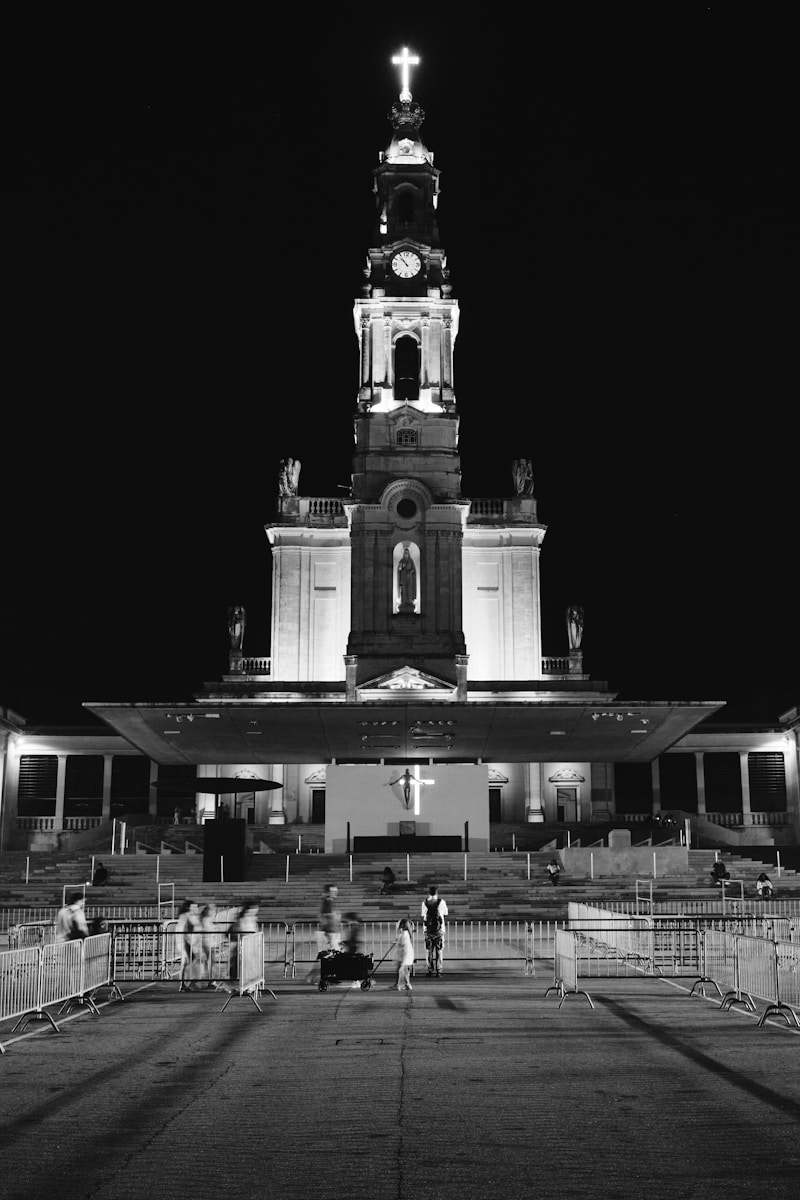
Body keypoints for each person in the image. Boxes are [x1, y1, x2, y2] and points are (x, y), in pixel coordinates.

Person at [421, 884, 448, 977]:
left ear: (429, 893)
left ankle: (430, 970)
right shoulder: (441, 902)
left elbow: (423, 916)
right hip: (439, 931)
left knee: (429, 951)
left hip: (428, 931)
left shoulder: (424, 903)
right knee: (439, 951)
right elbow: (445, 913)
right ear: (437, 892)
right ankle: (439, 970)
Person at [175, 899, 201, 992]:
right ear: (188, 908)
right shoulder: (186, 917)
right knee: (186, 962)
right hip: (184, 942)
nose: (196, 909)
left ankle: (187, 983)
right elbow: (185, 931)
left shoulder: (187, 916)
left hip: (186, 942)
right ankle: (183, 984)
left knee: (190, 962)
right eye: (194, 907)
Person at [395, 918, 414, 992]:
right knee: (405, 970)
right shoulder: (406, 933)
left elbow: (402, 944)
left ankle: (399, 985)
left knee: (401, 969)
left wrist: (397, 942)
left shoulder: (403, 934)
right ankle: (407, 984)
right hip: (406, 954)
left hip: (405, 954)